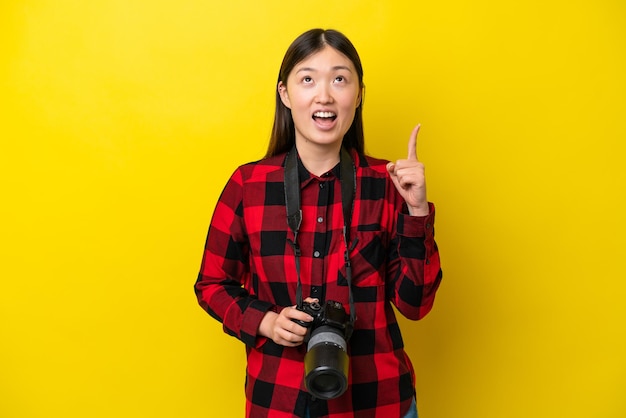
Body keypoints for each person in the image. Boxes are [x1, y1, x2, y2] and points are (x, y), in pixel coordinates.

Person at [195, 28, 442, 418]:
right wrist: (267, 321)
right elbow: (211, 284)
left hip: (377, 402)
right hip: (279, 400)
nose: (324, 95)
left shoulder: (388, 182)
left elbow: (415, 304)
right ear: (285, 94)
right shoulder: (248, 185)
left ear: (358, 95)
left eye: (339, 79)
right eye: (307, 79)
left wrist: (416, 213)